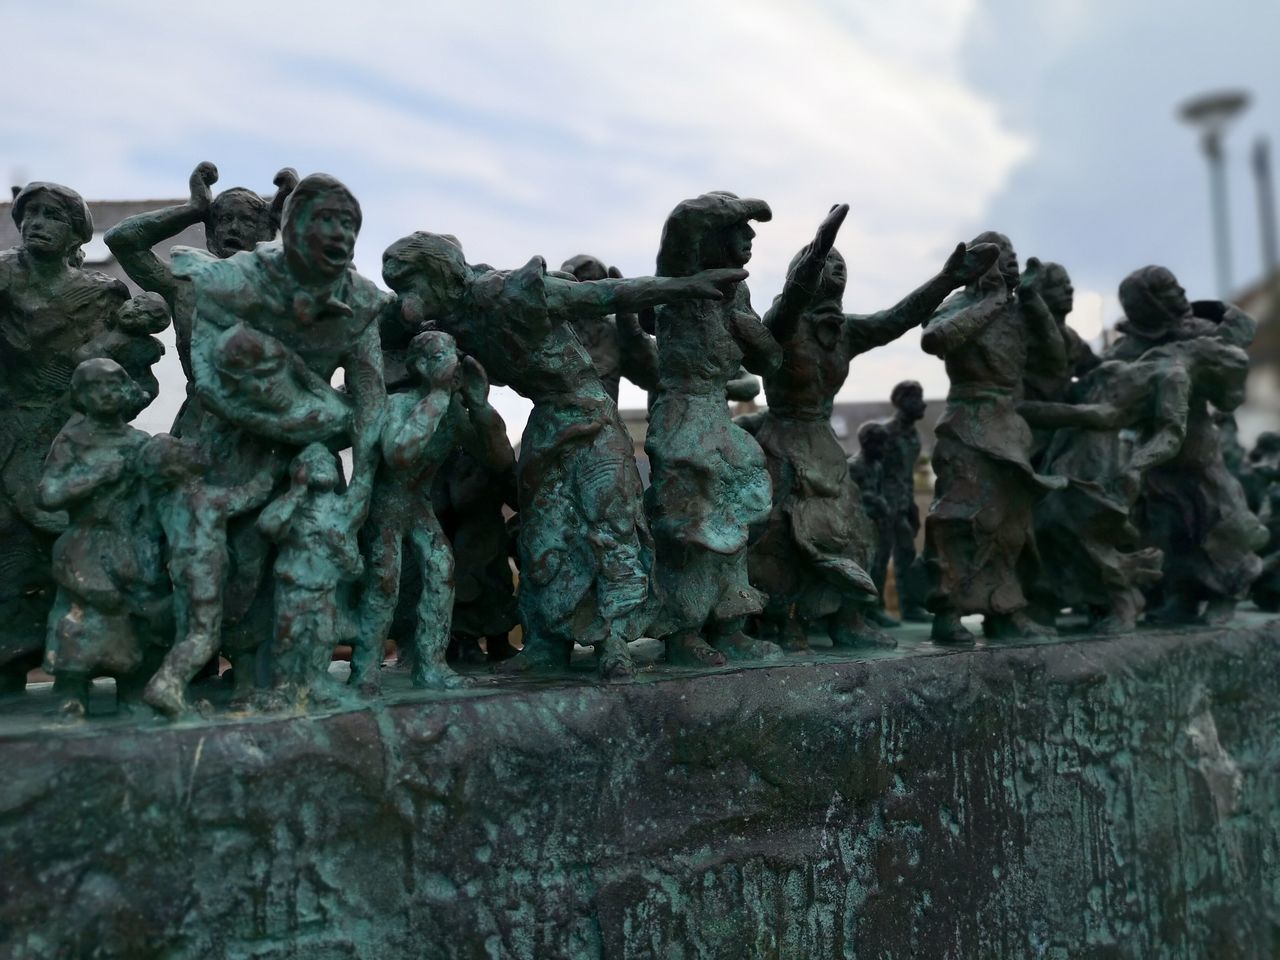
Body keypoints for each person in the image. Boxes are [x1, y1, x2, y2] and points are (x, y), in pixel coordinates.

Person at [381, 231, 744, 679]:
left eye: (407, 285)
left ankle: (615, 645)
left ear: (436, 273)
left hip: (591, 419)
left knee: (611, 530)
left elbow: (605, 295)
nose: (405, 300)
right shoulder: (454, 322)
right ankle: (545, 646)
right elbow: (374, 323)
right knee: (541, 537)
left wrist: (685, 285)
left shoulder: (515, 291)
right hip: (547, 423)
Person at [741, 204, 994, 650]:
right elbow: (795, 299)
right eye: (825, 263)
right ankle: (781, 622)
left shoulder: (847, 332)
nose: (836, 268)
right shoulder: (780, 324)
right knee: (781, 533)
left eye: (841, 264)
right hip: (780, 439)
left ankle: (847, 618)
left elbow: (898, 319)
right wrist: (818, 249)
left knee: (853, 530)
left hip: (822, 442)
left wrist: (947, 280)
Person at [172, 173, 388, 695]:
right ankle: (204, 670)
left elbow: (370, 396)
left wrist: (359, 490)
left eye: (348, 224)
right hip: (234, 439)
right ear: (290, 229)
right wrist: (298, 420)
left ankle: (292, 679)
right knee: (230, 562)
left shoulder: (362, 302)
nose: (339, 235)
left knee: (307, 566)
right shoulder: (238, 280)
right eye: (325, 221)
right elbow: (209, 372)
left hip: (309, 456)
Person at [644, 192, 788, 666]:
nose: (750, 238)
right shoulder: (681, 276)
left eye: (752, 231)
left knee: (735, 517)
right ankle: (683, 631)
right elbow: (683, 220)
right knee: (689, 522)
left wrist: (753, 330)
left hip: (717, 415)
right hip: (683, 410)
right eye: (740, 230)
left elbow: (768, 357)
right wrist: (745, 205)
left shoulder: (738, 292)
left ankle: (729, 623)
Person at [0, 182, 129, 693]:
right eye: (29, 214)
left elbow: (124, 375)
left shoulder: (100, 294)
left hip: (69, 434)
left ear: (76, 230)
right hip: (9, 427)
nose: (37, 223)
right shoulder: (4, 276)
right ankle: (9, 664)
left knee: (74, 545)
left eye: (52, 215)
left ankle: (79, 670)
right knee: (9, 543)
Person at [921, 234, 1067, 644]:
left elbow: (1056, 365)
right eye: (1003, 260)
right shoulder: (960, 306)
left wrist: (1034, 302)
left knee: (1011, 526)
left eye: (1015, 259)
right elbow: (935, 339)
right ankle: (947, 610)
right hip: (966, 421)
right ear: (980, 265)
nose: (1012, 266)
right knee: (957, 519)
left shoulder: (1021, 312)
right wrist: (991, 302)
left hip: (1009, 425)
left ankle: (1005, 610)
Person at [356, 330, 513, 691]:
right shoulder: (398, 404)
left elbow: (499, 459)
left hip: (417, 506)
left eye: (453, 355)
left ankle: (431, 665)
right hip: (383, 509)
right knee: (383, 585)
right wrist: (439, 397)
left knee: (442, 569)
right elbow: (399, 453)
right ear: (420, 366)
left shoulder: (452, 413)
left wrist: (481, 405)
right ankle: (364, 670)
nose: (453, 363)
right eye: (443, 356)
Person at [104, 161, 297, 427]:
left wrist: (291, 222)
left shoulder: (286, 285)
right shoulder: (185, 282)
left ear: (265, 231)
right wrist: (193, 210)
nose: (233, 229)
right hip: (200, 422)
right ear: (210, 233)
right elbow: (121, 240)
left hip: (268, 420)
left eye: (247, 221)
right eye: (224, 219)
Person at [38, 360, 161, 717]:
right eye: (94, 387)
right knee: (79, 619)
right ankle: (72, 692)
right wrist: (95, 476)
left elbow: (157, 498)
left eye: (112, 385)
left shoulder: (141, 442)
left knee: (137, 617)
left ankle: (134, 691)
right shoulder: (72, 441)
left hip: (133, 543)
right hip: (85, 544)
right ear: (80, 396)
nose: (105, 394)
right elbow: (48, 494)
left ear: (126, 391)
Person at [139, 434, 276, 718]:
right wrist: (274, 466)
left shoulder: (167, 502)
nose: (191, 444)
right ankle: (166, 684)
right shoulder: (205, 498)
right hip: (204, 573)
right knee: (205, 636)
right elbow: (254, 493)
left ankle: (177, 696)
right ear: (178, 468)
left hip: (182, 572)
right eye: (181, 447)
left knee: (184, 634)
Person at [258, 444, 365, 706]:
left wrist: (347, 558)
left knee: (323, 637)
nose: (324, 466)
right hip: (294, 588)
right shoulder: (293, 505)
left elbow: (353, 564)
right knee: (288, 638)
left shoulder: (340, 508)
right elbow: (268, 526)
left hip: (325, 590)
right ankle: (282, 688)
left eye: (328, 462)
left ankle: (315, 684)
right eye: (314, 463)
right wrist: (296, 491)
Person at [73, 291, 171, 418]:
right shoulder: (112, 322)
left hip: (127, 389)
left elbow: (92, 365)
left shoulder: (128, 345)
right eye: (135, 303)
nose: (134, 311)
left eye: (143, 313)